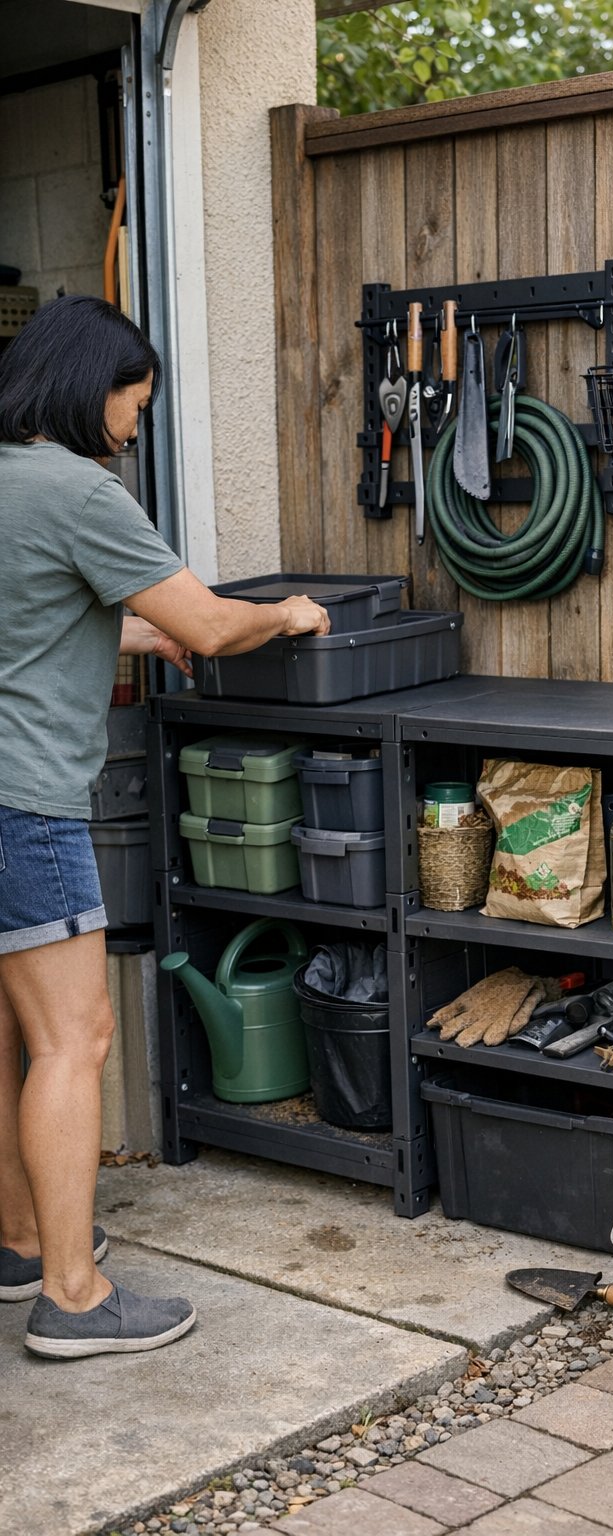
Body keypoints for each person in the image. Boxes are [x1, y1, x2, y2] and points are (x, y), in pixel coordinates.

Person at [0, 295, 330, 1358]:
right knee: (76, 1035)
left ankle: (14, 1244)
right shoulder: (77, 488)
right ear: (90, 390)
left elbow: (35, 612)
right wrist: (284, 613)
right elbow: (215, 622)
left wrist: (128, 637)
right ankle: (76, 1296)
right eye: (133, 406)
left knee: (6, 1037)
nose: (135, 428)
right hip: (23, 802)